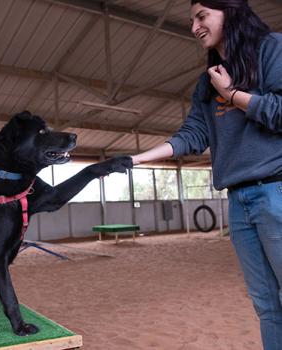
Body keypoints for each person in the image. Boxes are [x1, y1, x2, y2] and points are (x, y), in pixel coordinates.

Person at [131, 1, 282, 349]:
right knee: (266, 306)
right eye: (191, 20)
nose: (195, 27)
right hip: (239, 203)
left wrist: (233, 95)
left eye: (202, 16)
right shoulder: (207, 81)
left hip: (275, 190)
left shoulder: (270, 49)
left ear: (230, 11)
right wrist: (136, 160)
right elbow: (192, 135)